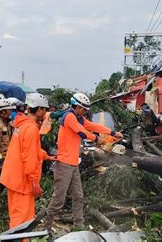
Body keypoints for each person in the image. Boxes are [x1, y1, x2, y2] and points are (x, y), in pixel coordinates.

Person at [43, 93, 123, 231]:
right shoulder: (69, 117)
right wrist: (96, 139)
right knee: (58, 200)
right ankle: (46, 227)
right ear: (78, 107)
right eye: (84, 109)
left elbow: (92, 125)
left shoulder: (79, 118)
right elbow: (81, 132)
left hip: (73, 164)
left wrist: (112, 132)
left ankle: (78, 226)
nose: (85, 112)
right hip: (64, 164)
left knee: (78, 197)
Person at [0, 93, 56, 228]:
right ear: (40, 110)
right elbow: (29, 158)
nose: (46, 112)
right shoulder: (31, 128)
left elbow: (28, 149)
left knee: (15, 215)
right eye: (45, 109)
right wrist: (34, 182)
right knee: (23, 220)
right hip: (22, 181)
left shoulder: (22, 125)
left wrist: (45, 156)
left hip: (12, 178)